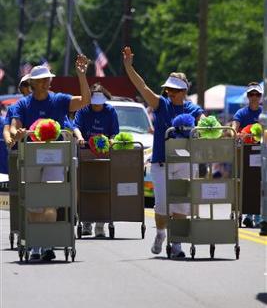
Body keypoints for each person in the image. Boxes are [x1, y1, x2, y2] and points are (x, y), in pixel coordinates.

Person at [122, 46, 205, 258]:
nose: (170, 92)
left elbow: (204, 122)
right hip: (161, 162)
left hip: (185, 162)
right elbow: (141, 86)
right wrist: (128, 67)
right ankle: (160, 233)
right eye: (169, 88)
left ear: (184, 91)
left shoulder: (192, 109)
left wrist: (209, 129)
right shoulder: (160, 104)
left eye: (175, 89)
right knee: (161, 204)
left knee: (181, 206)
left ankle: (176, 245)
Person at [10, 55, 90, 260]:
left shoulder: (59, 99)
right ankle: (35, 243)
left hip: (55, 156)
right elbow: (14, 127)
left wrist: (81, 75)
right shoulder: (24, 104)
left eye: (48, 78)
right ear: (34, 83)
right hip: (31, 157)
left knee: (51, 198)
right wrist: (16, 134)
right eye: (43, 79)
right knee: (34, 201)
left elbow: (85, 101)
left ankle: (46, 244)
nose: (47, 82)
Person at [73, 83, 119, 237]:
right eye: (95, 104)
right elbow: (76, 126)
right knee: (86, 187)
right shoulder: (83, 109)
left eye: (100, 104)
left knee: (103, 187)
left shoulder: (110, 111)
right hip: (85, 153)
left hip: (104, 155)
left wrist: (112, 140)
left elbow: (114, 132)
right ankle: (86, 222)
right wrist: (79, 138)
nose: (98, 107)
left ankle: (101, 224)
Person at [231, 81, 263, 228]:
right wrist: (240, 134)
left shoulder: (264, 113)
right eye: (251, 94)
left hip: (263, 153)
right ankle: (248, 214)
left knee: (261, 183)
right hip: (245, 153)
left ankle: (259, 216)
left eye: (257, 94)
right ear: (248, 96)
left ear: (261, 96)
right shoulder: (241, 113)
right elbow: (233, 130)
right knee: (247, 182)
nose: (254, 97)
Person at [3, 74, 32, 148]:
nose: (29, 88)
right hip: (18, 151)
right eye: (25, 84)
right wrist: (8, 139)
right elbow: (7, 129)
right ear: (21, 88)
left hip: (40, 150)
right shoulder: (13, 108)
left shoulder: (47, 105)